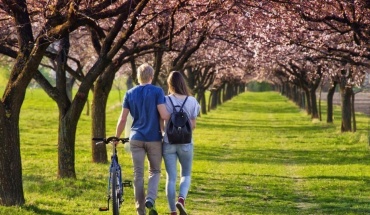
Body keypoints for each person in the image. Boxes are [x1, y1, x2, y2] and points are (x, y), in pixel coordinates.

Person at [115, 63, 169, 215]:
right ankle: (150, 198)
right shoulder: (158, 91)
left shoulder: (130, 93)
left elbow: (123, 119)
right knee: (155, 171)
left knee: (138, 175)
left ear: (138, 77)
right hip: (154, 138)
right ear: (151, 76)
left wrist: (117, 137)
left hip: (136, 138)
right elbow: (164, 115)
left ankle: (140, 211)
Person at [162, 71, 200, 215]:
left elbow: (162, 120)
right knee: (186, 174)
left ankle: (172, 211)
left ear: (169, 84)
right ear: (183, 83)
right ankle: (181, 199)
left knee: (171, 177)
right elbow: (193, 125)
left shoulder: (165, 100)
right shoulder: (192, 101)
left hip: (168, 142)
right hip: (186, 143)